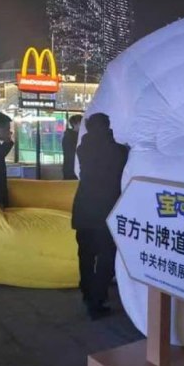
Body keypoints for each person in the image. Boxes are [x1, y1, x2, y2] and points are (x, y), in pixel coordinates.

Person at [71, 113, 128, 319]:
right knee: (106, 256)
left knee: (85, 255)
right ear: (108, 126)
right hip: (105, 211)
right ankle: (97, 300)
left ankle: (87, 292)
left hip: (84, 208)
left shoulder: (82, 148)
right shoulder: (118, 150)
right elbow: (119, 155)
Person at [62, 114, 81, 180]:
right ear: (74, 124)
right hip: (71, 170)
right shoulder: (70, 137)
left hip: (72, 169)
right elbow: (71, 154)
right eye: (80, 123)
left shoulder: (71, 135)